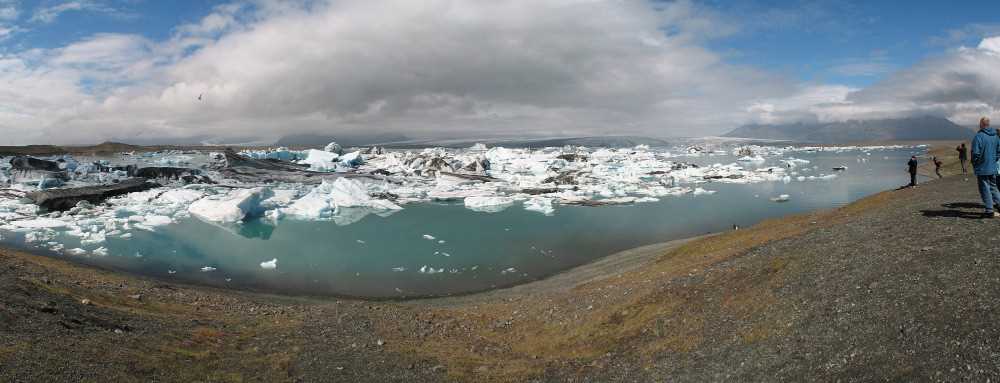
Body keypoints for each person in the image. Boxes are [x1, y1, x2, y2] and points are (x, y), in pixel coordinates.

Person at [971, 117, 1000, 218]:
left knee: (984, 188)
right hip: (992, 167)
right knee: (993, 187)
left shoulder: (978, 136)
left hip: (982, 168)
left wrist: (976, 163)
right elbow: (998, 152)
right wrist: (993, 161)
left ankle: (989, 210)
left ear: (981, 124)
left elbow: (975, 153)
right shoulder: (996, 136)